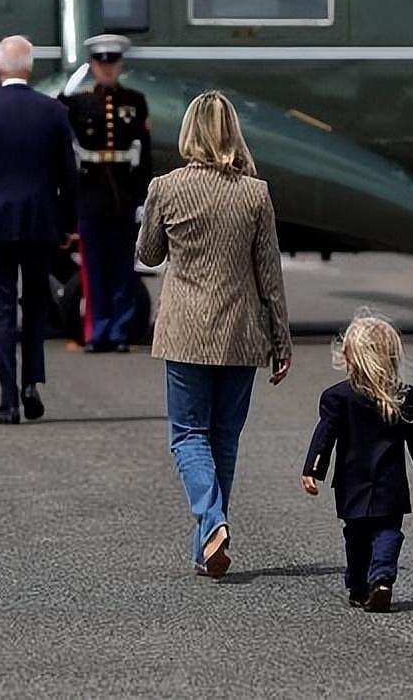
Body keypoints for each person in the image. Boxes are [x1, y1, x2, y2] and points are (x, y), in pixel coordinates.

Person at [136, 90, 292, 578]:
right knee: (224, 436)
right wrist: (281, 341)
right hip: (241, 330)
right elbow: (270, 273)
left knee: (187, 435)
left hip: (185, 328)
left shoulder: (165, 187)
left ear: (188, 134)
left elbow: (148, 254)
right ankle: (208, 542)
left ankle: (212, 522)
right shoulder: (255, 193)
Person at [0, 35, 78, 424]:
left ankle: (8, 399)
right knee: (36, 303)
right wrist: (68, 224)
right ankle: (31, 382)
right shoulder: (52, 111)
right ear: (30, 67)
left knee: (1, 308)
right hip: (40, 222)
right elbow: (68, 176)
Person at [301, 311, 413, 613]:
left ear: (350, 358)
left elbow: (324, 436)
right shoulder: (404, 396)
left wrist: (313, 469)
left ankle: (359, 585)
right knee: (388, 530)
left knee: (356, 535)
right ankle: (383, 578)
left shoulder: (337, 397)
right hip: (390, 484)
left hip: (352, 484)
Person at [58, 33, 152, 353]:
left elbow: (144, 153)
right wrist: (68, 90)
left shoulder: (135, 102)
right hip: (91, 192)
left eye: (113, 63)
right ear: (93, 66)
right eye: (101, 63)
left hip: (123, 194)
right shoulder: (81, 100)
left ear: (120, 65)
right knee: (93, 269)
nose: (107, 69)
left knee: (122, 268)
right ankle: (97, 332)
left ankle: (120, 331)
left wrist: (143, 199)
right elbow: (59, 119)